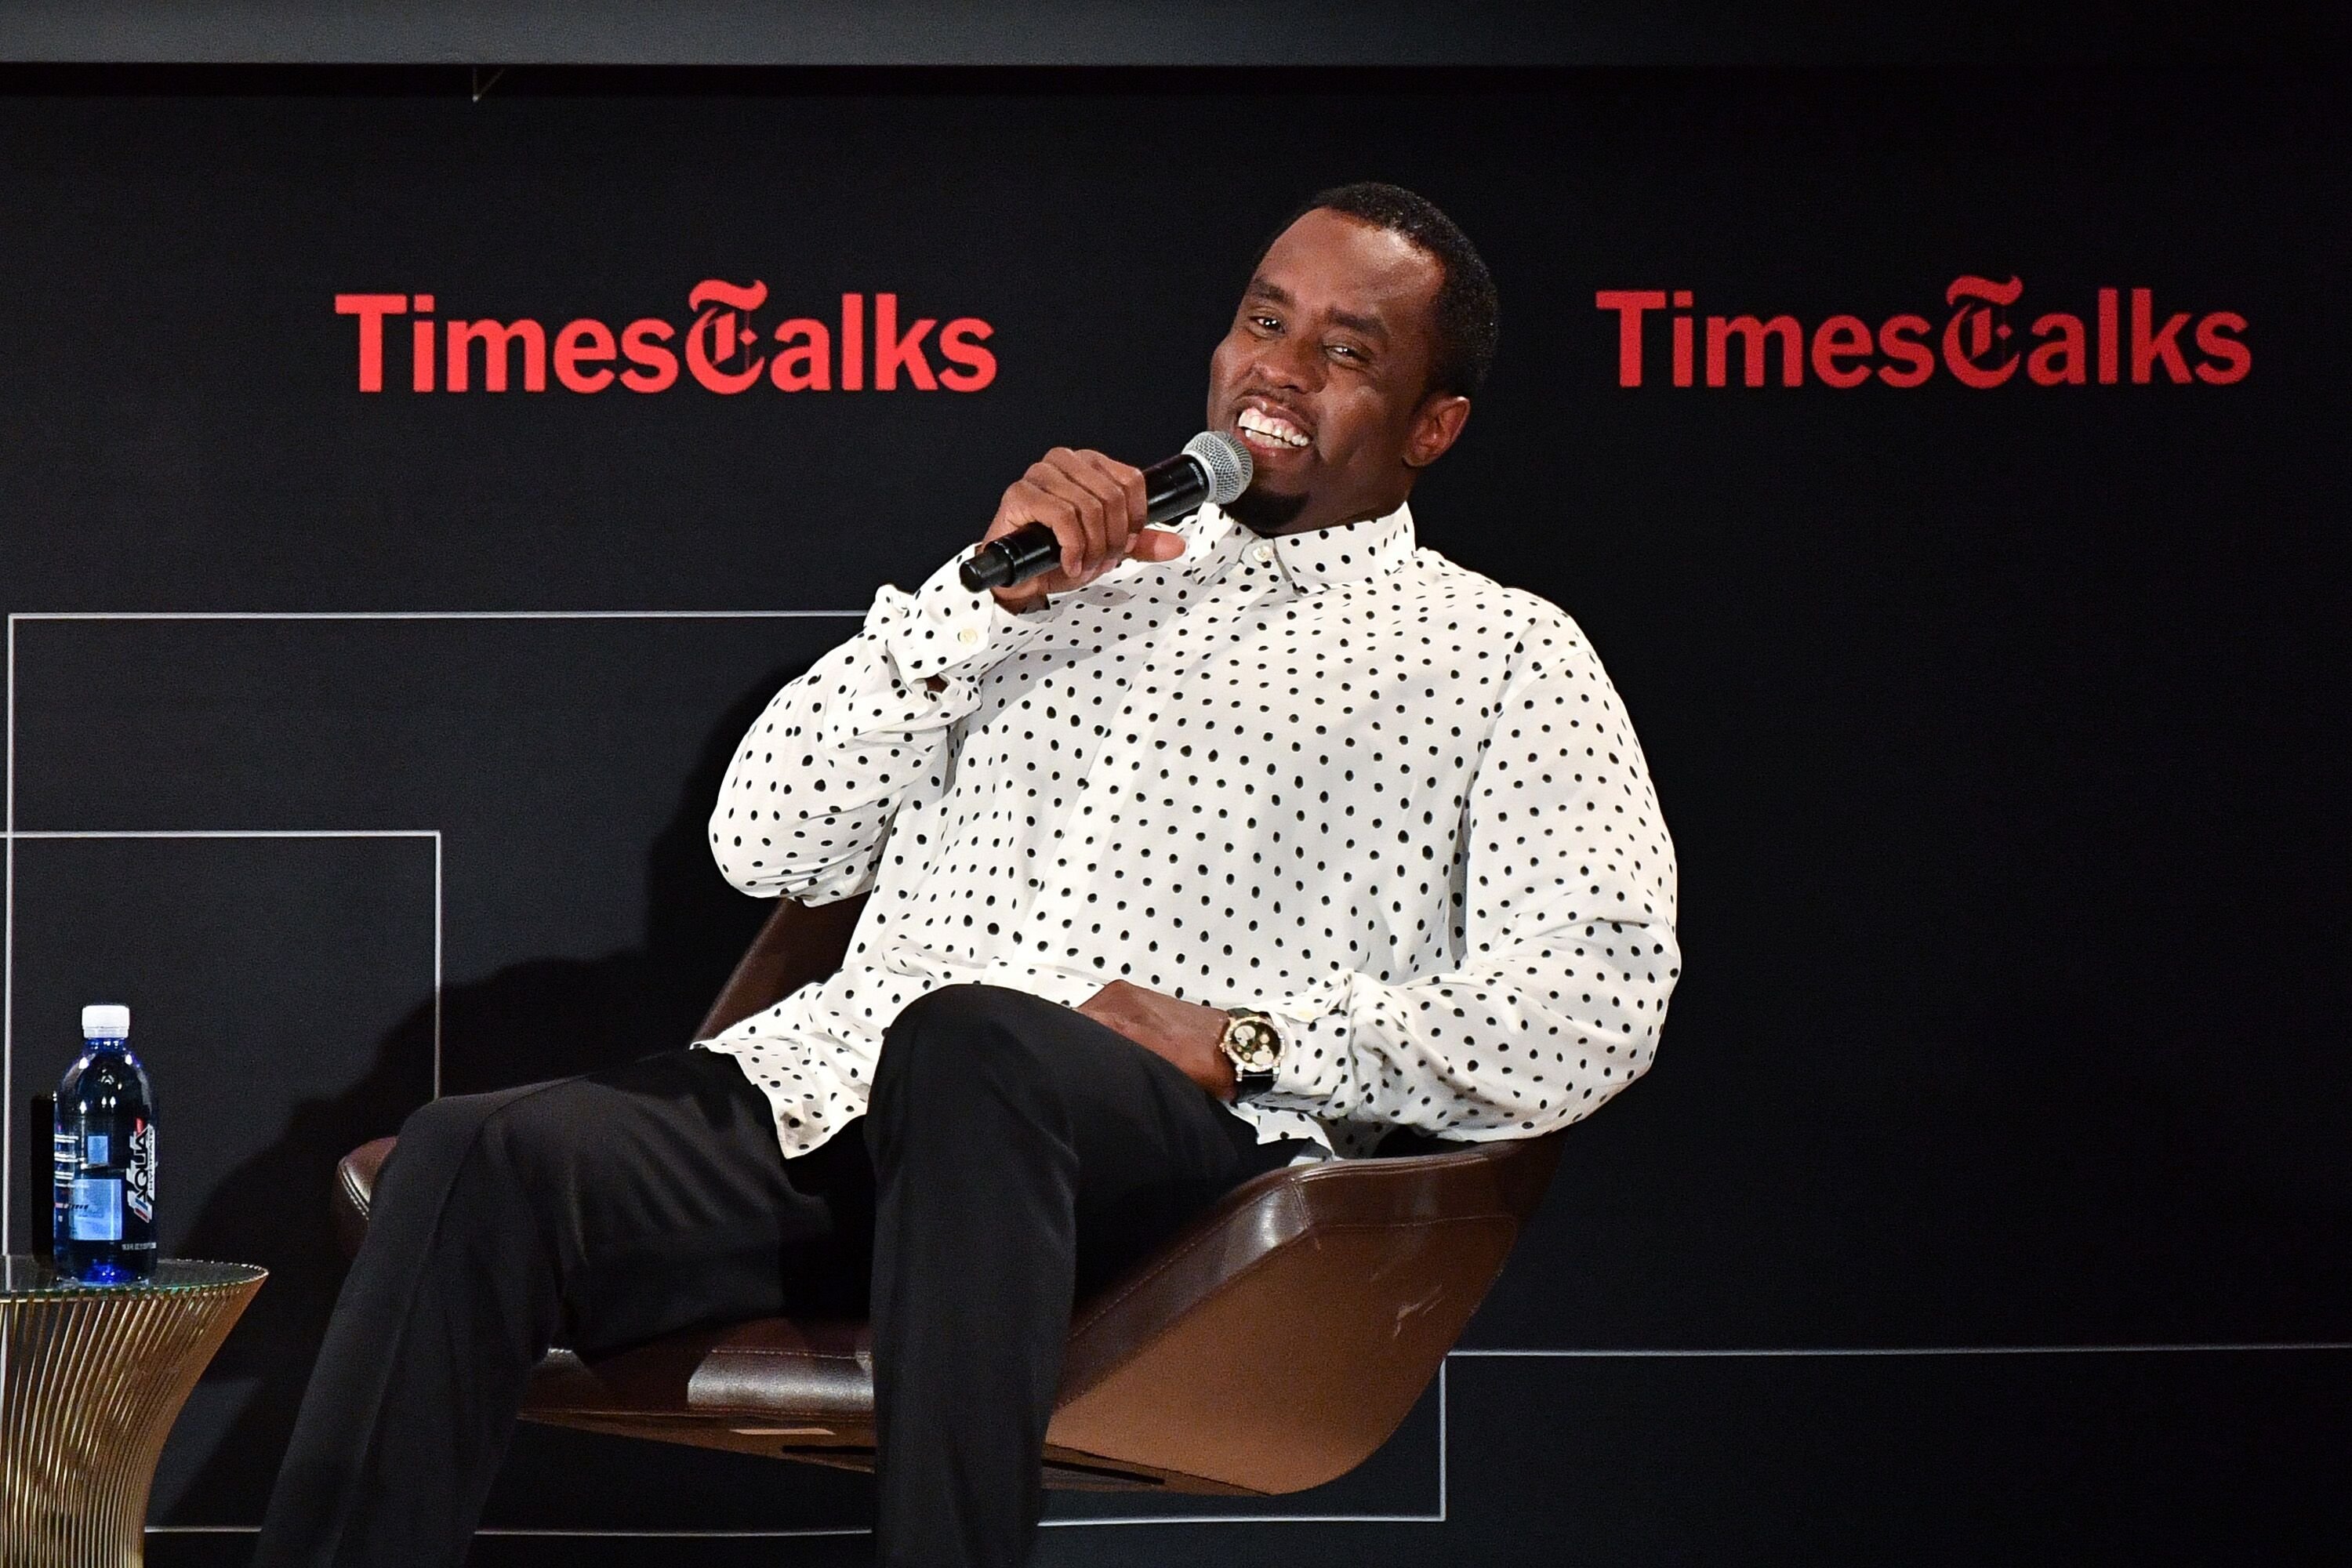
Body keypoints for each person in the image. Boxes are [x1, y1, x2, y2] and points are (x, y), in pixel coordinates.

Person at [254, 181, 1679, 1568]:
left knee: (978, 1043)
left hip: (1171, 1167)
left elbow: (1601, 990)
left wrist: (1255, 1042)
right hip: (858, 1112)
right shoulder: (1044, 581)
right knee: (474, 1158)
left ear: (1435, 424)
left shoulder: (1504, 655)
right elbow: (766, 842)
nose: (1279, 372)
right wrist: (966, 605)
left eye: (1345, 351)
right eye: (1265, 321)